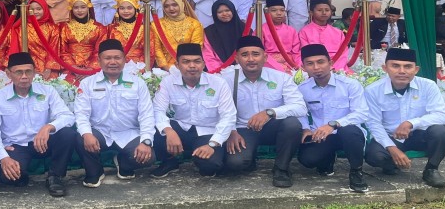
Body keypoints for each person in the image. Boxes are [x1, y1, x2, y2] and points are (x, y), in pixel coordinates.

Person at [0, 52, 77, 197]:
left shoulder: (47, 91)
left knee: (67, 134)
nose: (24, 76)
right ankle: (22, 175)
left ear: (34, 72)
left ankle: (55, 176)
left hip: (43, 142)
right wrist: (3, 157)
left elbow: (67, 116)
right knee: (9, 178)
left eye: (28, 71)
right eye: (18, 72)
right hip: (16, 146)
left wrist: (48, 127)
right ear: (8, 74)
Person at [222, 35, 306, 188]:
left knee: (292, 124)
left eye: (255, 54)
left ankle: (281, 168)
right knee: (236, 164)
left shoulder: (281, 78)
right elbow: (219, 110)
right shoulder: (226, 80)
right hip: (243, 129)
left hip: (272, 127)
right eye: (244, 54)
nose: (250, 59)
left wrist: (269, 112)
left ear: (265, 57)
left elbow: (300, 106)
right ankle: (250, 158)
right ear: (236, 58)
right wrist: (231, 130)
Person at [364, 48, 445, 188]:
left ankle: (431, 169)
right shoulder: (373, 90)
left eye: (408, 66)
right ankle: (391, 163)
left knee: (441, 133)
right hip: (391, 136)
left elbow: (441, 115)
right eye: (395, 66)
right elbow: (373, 123)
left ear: (416, 69)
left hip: (419, 135)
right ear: (385, 68)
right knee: (373, 156)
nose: (402, 71)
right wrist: (393, 149)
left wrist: (411, 123)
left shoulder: (428, 86)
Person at [75, 39, 155, 187]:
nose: (113, 62)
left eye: (117, 58)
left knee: (148, 157)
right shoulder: (87, 84)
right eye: (107, 58)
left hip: (128, 133)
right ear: (99, 60)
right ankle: (95, 172)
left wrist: (145, 141)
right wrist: (87, 134)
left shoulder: (138, 83)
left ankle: (124, 164)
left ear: (124, 60)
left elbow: (146, 114)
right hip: (100, 133)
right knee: (81, 137)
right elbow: (81, 114)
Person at [151, 43, 236, 178]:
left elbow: (228, 116)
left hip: (207, 132)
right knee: (156, 127)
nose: (192, 66)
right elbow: (157, 110)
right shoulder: (168, 82)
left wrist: (212, 144)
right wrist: (168, 131)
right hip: (181, 128)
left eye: (197, 61)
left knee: (210, 166)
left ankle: (200, 160)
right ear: (177, 65)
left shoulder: (218, 83)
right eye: (186, 62)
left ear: (203, 64)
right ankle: (169, 161)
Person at [296, 44, 369, 192]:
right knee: (307, 159)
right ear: (303, 67)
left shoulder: (350, 85)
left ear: (330, 63)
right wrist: (305, 129)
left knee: (349, 131)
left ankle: (356, 172)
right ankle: (328, 159)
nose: (316, 67)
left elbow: (361, 113)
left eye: (321, 62)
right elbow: (300, 112)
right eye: (310, 63)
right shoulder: (302, 89)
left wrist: (334, 124)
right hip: (321, 136)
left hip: (348, 134)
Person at [108, 0, 163, 64]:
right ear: (118, 10)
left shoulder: (144, 29)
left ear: (135, 9)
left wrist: (139, 68)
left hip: (139, 66)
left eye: (129, 8)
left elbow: (150, 53)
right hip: (117, 65)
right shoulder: (111, 28)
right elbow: (108, 52)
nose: (126, 11)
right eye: (122, 8)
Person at [58, 0, 107, 75]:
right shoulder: (64, 27)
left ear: (88, 7)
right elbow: (63, 51)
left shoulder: (99, 28)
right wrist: (73, 67)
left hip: (92, 69)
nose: (79, 10)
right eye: (76, 7)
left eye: (83, 7)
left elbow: (99, 51)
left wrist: (90, 69)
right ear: (71, 8)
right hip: (69, 69)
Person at [8, 0, 61, 77]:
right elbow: (19, 49)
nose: (35, 12)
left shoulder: (53, 28)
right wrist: (29, 69)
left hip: (48, 67)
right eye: (32, 9)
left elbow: (54, 49)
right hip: (26, 66)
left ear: (45, 9)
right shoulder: (22, 28)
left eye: (39, 9)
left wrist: (48, 69)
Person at [154, 0, 204, 70]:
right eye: (166, 6)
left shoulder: (194, 24)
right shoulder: (156, 24)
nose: (171, 8)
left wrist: (186, 67)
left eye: (175, 5)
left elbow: (196, 48)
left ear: (182, 5)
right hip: (164, 68)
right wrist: (167, 68)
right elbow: (157, 49)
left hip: (189, 67)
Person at [299, 0, 347, 69]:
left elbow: (343, 54)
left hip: (338, 67)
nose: (324, 13)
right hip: (315, 68)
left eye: (327, 10)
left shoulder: (338, 32)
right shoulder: (304, 32)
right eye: (320, 10)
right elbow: (305, 54)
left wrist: (336, 68)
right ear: (311, 12)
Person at [202, 0, 245, 72]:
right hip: (218, 72)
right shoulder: (209, 32)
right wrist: (219, 72)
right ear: (215, 14)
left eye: (227, 10)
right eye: (220, 12)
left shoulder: (244, 29)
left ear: (233, 11)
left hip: (243, 69)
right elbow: (208, 54)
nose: (224, 14)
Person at [261, 0, 301, 73]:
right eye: (274, 10)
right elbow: (260, 52)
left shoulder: (291, 30)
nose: (279, 13)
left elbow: (296, 53)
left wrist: (298, 66)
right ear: (266, 12)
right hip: (269, 62)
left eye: (282, 10)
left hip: (289, 62)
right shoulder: (261, 29)